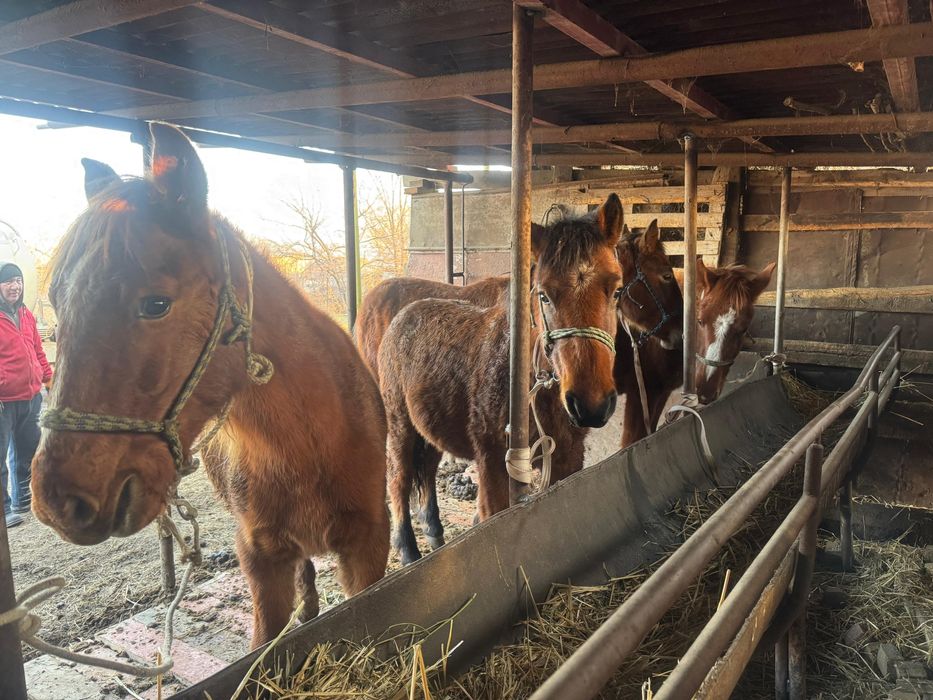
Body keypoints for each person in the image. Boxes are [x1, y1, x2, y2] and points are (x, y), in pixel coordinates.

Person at [0, 262, 52, 529]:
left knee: (27, 450)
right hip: (3, 401)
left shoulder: (26, 314)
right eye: (8, 281)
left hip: (30, 396)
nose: (15, 286)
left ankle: (23, 497)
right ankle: (3, 509)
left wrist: (47, 378)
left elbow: (38, 351)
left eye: (18, 281)